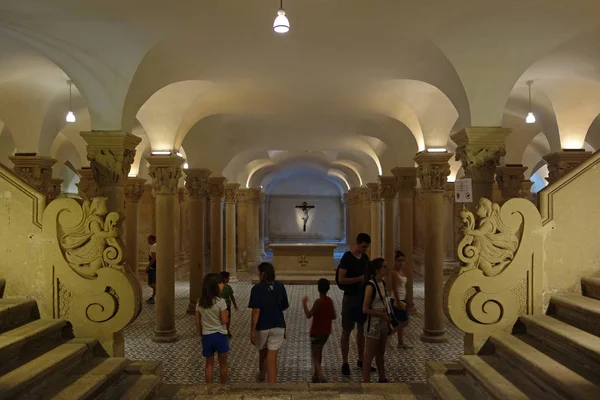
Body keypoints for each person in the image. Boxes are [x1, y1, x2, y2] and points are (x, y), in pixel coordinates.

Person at [336, 232, 375, 376]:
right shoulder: (347, 257)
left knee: (361, 331)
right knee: (347, 330)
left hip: (362, 298)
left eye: (367, 247)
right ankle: (345, 362)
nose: (365, 250)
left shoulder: (365, 258)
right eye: (363, 246)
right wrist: (359, 279)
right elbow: (341, 279)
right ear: (357, 243)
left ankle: (361, 360)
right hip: (350, 297)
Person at [249, 262, 289, 384]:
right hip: (278, 325)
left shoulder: (257, 288)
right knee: (272, 357)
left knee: (263, 353)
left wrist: (252, 330)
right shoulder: (280, 286)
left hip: (262, 326)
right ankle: (270, 384)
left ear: (263, 274)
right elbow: (284, 306)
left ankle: (263, 378)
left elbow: (256, 310)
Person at [196, 273, 229, 384]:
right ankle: (223, 387)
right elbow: (224, 320)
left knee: (209, 364)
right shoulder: (221, 302)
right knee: (223, 363)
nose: (223, 285)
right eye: (220, 283)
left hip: (207, 336)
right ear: (215, 286)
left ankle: (209, 389)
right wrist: (227, 314)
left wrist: (200, 334)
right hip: (220, 335)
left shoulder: (199, 302)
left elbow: (197, 321)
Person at [362, 258, 392, 383]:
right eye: (384, 267)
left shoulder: (383, 283)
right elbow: (365, 309)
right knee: (369, 355)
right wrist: (381, 315)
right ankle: (366, 382)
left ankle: (382, 377)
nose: (387, 269)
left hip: (383, 323)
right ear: (377, 270)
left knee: (381, 352)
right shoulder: (370, 285)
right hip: (373, 323)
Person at [302, 278, 336, 383]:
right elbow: (334, 316)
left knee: (314, 356)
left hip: (316, 332)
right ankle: (315, 375)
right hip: (326, 332)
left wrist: (304, 304)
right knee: (319, 353)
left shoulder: (318, 302)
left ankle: (321, 375)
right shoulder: (329, 301)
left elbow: (308, 315)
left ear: (318, 289)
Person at [390, 250, 411, 349]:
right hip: (396, 299)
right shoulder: (394, 273)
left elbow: (403, 286)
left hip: (402, 298)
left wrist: (406, 299)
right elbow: (394, 287)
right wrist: (398, 300)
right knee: (405, 321)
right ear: (395, 261)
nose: (401, 263)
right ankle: (389, 333)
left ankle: (400, 342)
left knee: (401, 321)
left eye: (402, 260)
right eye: (399, 260)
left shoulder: (402, 272)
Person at [219, 271, 238, 338]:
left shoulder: (218, 286)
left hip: (220, 305)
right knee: (228, 318)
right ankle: (227, 330)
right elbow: (232, 297)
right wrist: (235, 304)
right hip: (227, 305)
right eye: (228, 278)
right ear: (225, 279)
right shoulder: (228, 287)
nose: (229, 279)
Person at [145, 234, 157, 304]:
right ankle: (152, 297)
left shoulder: (154, 246)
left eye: (148, 240)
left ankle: (159, 292)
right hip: (155, 266)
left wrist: (148, 267)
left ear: (151, 239)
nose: (147, 241)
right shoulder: (157, 245)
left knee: (151, 283)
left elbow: (154, 258)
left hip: (153, 267)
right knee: (154, 283)